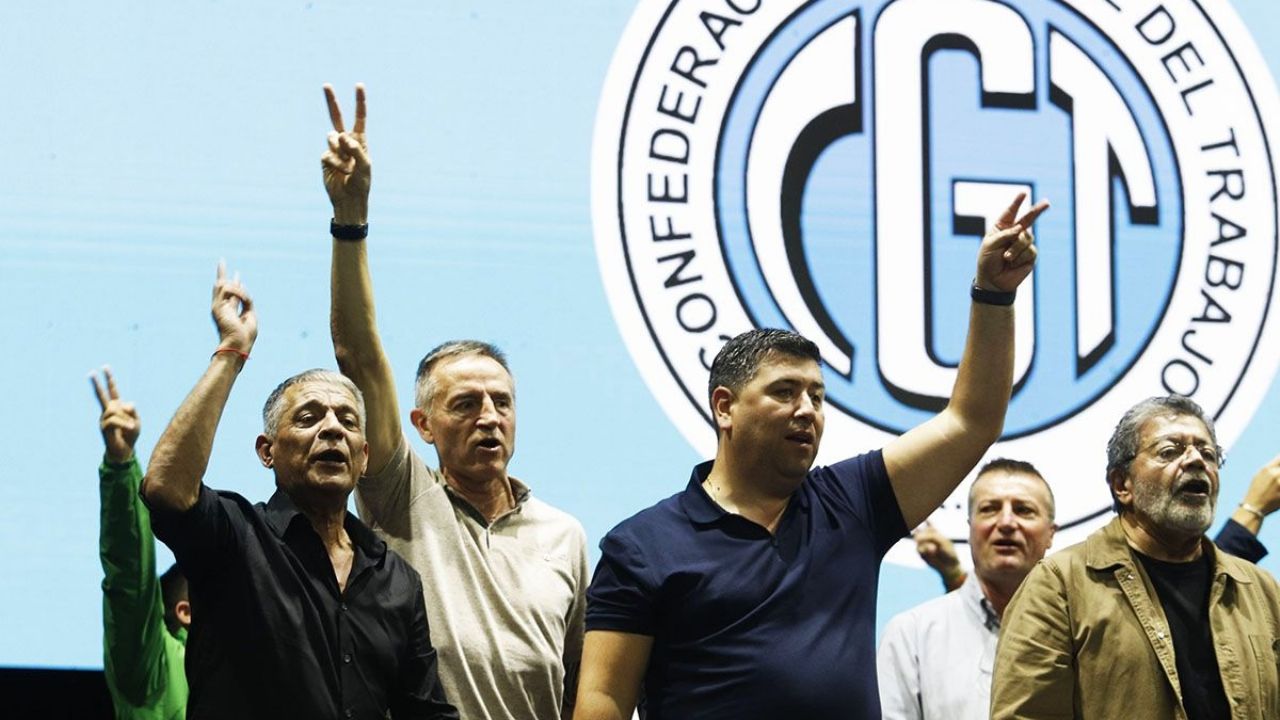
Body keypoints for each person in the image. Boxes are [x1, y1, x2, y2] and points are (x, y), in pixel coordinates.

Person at [576, 193, 1049, 720]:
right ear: (725, 407)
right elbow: (604, 700)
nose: (807, 410)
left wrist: (994, 294)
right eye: (784, 392)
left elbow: (971, 421)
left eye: (817, 397)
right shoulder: (643, 546)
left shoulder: (853, 502)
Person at [321, 84, 588, 720]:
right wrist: (351, 218)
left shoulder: (565, 535)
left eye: (502, 402)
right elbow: (358, 356)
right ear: (424, 425)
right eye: (466, 404)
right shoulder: (403, 497)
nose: (489, 417)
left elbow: (586, 687)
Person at [140, 264, 457, 720]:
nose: (332, 428)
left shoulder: (396, 578)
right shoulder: (235, 537)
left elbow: (425, 711)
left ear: (363, 457)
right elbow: (165, 487)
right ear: (267, 451)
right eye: (309, 418)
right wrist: (231, 352)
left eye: (347, 421)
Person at [991, 395, 1280, 719]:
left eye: (1208, 453)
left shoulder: (1262, 591)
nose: (1196, 460)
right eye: (1169, 451)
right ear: (1121, 484)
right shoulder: (1059, 586)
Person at [878, 458, 1057, 720]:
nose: (1006, 522)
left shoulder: (1080, 633)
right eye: (989, 509)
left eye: (1023, 510)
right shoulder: (911, 634)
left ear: (1051, 533)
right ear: (970, 529)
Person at [93, 367, 189, 719]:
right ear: (185, 612)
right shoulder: (154, 668)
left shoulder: (244, 677)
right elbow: (130, 579)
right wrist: (121, 467)